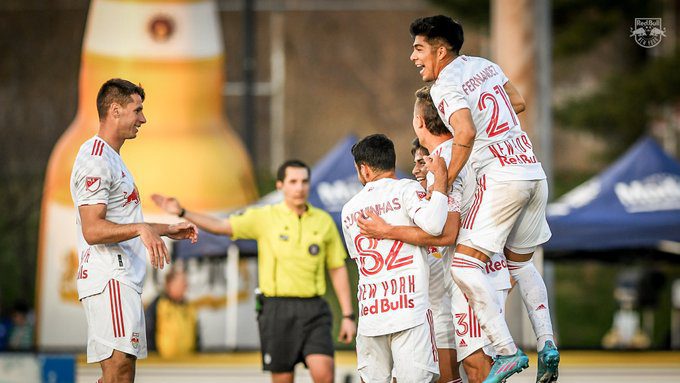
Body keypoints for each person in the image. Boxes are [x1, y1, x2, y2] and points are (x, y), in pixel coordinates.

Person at [409, 15, 559, 383]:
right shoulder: (483, 64)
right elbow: (518, 103)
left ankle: (508, 352)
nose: (413, 57)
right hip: (532, 169)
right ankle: (548, 343)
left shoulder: (445, 84)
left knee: (463, 266)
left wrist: (447, 177)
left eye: (418, 48)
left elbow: (466, 131)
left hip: (503, 177)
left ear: (440, 50)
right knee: (522, 265)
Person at [151, 159, 356, 383]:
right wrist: (182, 211)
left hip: (313, 308)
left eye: (304, 182)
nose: (299, 187)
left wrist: (347, 315)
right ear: (280, 186)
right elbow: (221, 226)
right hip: (276, 308)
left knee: (325, 374)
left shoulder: (324, 221)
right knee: (283, 378)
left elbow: (337, 268)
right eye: (293, 181)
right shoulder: (264, 217)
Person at [360, 87, 513, 383]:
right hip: (456, 282)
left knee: (476, 366)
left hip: (471, 275)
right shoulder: (466, 153)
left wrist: (388, 230)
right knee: (446, 374)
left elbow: (446, 234)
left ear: (419, 121)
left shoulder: (442, 161)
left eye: (421, 163)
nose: (418, 169)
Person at [70, 78, 199, 383]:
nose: (143, 118)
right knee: (120, 371)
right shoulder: (96, 158)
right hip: (110, 276)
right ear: (115, 110)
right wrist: (142, 227)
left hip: (122, 278)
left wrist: (167, 229)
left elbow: (120, 221)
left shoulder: (113, 159)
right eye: (137, 110)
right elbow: (93, 229)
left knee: (119, 373)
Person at [342, 133, 451, 383]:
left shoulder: (349, 209)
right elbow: (435, 225)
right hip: (410, 311)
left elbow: (357, 257)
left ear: (364, 170)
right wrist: (442, 182)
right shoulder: (407, 190)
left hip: (371, 314)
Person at [145, 267, 198, 358]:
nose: (185, 286)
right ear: (170, 284)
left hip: (187, 363)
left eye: (185, 283)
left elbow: (196, 337)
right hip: (162, 364)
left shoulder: (189, 307)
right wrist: (153, 357)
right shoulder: (158, 304)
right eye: (182, 283)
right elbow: (148, 333)